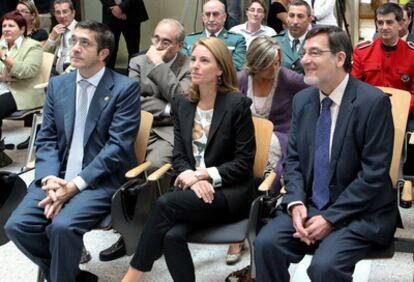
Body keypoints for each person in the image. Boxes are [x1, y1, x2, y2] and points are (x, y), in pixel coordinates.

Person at [255, 25, 399, 282]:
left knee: (324, 267)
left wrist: (330, 218)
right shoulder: (303, 100)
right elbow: (294, 160)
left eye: (315, 53)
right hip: (310, 204)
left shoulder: (372, 103)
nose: (305, 60)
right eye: (305, 53)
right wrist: (297, 203)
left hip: (358, 212)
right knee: (267, 245)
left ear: (340, 58)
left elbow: (373, 175)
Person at [5, 20, 141, 282]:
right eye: (73, 41)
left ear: (103, 54)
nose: (74, 48)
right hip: (58, 176)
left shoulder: (124, 89)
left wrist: (75, 185)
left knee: (62, 228)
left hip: (98, 181)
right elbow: (47, 139)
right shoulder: (59, 85)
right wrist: (49, 179)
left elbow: (117, 148)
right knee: (16, 226)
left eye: (84, 43)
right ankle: (73, 277)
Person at [121, 37, 255, 282]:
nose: (195, 65)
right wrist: (193, 181)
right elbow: (180, 155)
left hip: (230, 194)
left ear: (221, 69)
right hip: (193, 192)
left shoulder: (237, 104)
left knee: (164, 204)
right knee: (172, 236)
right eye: (193, 59)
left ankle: (131, 277)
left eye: (204, 61)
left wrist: (203, 174)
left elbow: (243, 164)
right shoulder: (183, 102)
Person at [98, 18, 191, 262]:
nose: (158, 45)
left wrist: (160, 66)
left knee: (154, 167)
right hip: (137, 127)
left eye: (166, 42)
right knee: (115, 161)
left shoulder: (189, 66)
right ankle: (125, 224)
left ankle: (145, 231)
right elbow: (131, 100)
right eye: (156, 39)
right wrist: (167, 107)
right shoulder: (138, 61)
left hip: (170, 132)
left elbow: (183, 103)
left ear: (179, 46)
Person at [225, 36, 307, 265]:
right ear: (257, 64)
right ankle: (239, 226)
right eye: (270, 63)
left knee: (268, 149)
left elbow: (315, 89)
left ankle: (261, 210)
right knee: (235, 160)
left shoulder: (288, 78)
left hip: (279, 134)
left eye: (277, 62)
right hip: (245, 136)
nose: (275, 67)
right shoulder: (241, 80)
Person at [352, 2, 414, 114]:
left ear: (400, 25)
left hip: (402, 112)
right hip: (368, 111)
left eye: (389, 22)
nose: (384, 27)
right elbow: (354, 88)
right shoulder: (362, 52)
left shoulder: (411, 54)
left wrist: (399, 110)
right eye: (380, 23)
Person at [0, 11, 43, 168]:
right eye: (4, 26)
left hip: (22, 92)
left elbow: (27, 71)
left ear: (22, 29)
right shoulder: (2, 45)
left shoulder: (33, 46)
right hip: (3, 86)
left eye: (11, 25)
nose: (6, 29)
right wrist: (3, 78)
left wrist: (4, 58)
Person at [182, 0, 246, 71]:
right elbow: (184, 68)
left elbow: (236, 68)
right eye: (207, 14)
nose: (211, 19)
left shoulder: (237, 41)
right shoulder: (189, 40)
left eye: (215, 14)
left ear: (224, 17)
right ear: (203, 17)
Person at [100, 0, 148, 69]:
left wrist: (121, 8)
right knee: (109, 50)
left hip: (132, 12)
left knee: (133, 50)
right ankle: (108, 77)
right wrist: (114, 7)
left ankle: (132, 77)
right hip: (110, 13)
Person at [274, 0, 312, 74]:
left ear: (309, 19)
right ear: (287, 18)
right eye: (291, 16)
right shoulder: (275, 42)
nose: (295, 21)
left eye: (300, 16)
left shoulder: (316, 42)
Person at [43, 0, 77, 75]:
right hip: (54, 70)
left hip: (73, 70)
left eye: (65, 12)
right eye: (58, 13)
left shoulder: (81, 30)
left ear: (73, 13)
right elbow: (43, 56)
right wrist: (52, 38)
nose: (61, 16)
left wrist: (65, 75)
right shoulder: (56, 31)